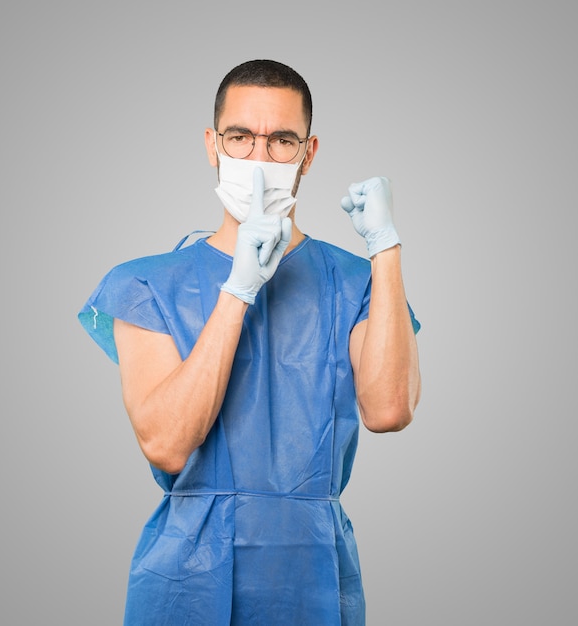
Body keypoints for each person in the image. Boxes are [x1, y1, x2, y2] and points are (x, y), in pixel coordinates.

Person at [79, 59, 421, 625]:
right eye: (240, 137)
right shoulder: (143, 283)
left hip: (312, 574)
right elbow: (166, 444)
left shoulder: (359, 283)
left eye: (282, 140)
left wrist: (385, 248)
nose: (259, 159)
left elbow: (389, 410)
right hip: (186, 581)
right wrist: (238, 289)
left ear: (308, 154)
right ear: (213, 145)